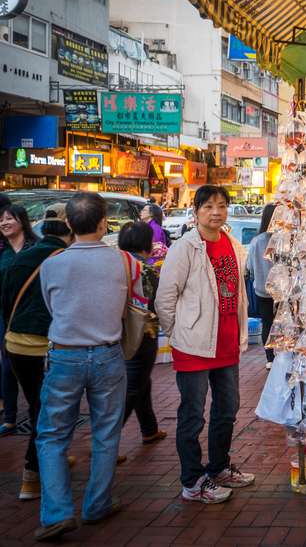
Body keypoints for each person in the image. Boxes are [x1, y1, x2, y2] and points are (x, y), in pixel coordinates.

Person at [34, 193, 141, 541]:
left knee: (52, 435)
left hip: (65, 354)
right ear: (104, 222)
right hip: (108, 353)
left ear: (68, 223)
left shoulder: (52, 263)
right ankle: (97, 504)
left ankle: (57, 512)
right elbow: (135, 305)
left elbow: (52, 306)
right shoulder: (124, 261)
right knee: (106, 432)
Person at [157, 185, 253, 504]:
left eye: (222, 206)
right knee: (193, 416)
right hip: (193, 346)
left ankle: (219, 468)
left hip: (226, 343)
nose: (216, 212)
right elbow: (165, 297)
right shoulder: (185, 248)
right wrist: (178, 333)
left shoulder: (233, 244)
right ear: (196, 211)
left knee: (227, 410)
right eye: (209, 206)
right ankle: (193, 481)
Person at [2, 205, 72, 500]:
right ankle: (32, 473)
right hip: (47, 347)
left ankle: (51, 455)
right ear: (71, 228)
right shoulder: (66, 259)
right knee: (46, 411)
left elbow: (6, 303)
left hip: (15, 344)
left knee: (36, 405)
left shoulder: (21, 258)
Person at [117, 222, 168, 446]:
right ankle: (106, 441)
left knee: (141, 382)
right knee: (134, 385)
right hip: (141, 334)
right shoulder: (145, 270)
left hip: (118, 332)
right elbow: (157, 304)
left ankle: (149, 428)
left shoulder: (115, 264)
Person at [0, 203, 38, 437]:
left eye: (9, 218)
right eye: (1, 220)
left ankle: (37, 414)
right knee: (7, 367)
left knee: (33, 370)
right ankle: (10, 418)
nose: (4, 223)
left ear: (21, 221)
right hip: (6, 316)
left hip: (32, 316)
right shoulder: (2, 252)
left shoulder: (35, 249)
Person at [247, 203, 276, 368]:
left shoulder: (256, 241)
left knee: (267, 323)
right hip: (282, 291)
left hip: (262, 289)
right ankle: (282, 355)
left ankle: (270, 359)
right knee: (283, 323)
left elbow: (249, 267)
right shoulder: (284, 239)